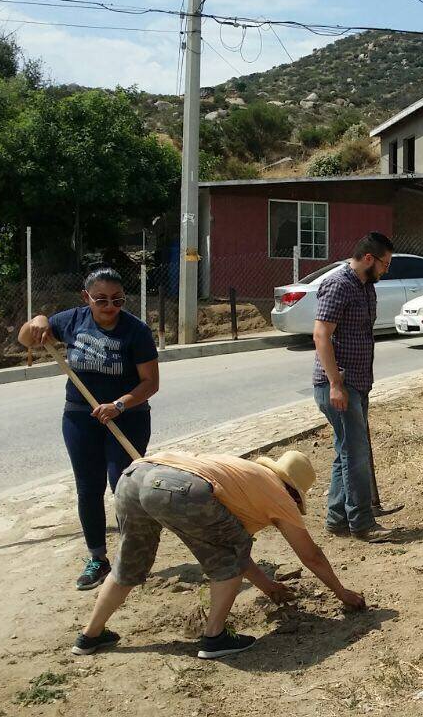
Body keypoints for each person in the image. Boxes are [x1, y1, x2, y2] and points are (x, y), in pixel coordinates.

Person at [69, 450, 367, 659]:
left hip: (134, 476)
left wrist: (269, 587)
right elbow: (310, 555)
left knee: (128, 565)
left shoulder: (241, 477)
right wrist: (342, 593)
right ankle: (214, 638)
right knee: (229, 554)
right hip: (178, 487)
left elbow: (235, 548)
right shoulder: (278, 496)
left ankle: (89, 637)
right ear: (294, 492)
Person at [19, 267, 159, 591]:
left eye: (117, 300)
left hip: (127, 417)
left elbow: (151, 382)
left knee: (122, 486)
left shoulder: (136, 331)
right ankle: (97, 558)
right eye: (101, 300)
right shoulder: (73, 320)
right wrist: (38, 320)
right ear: (86, 298)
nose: (109, 306)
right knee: (88, 488)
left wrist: (119, 405)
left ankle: (132, 555)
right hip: (80, 417)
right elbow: (26, 338)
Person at [313, 231, 398, 542]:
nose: (386, 270)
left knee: (346, 451)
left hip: (357, 384)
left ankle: (337, 519)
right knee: (356, 454)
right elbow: (321, 335)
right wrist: (336, 384)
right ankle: (362, 523)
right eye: (384, 264)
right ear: (368, 259)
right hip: (339, 385)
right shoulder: (338, 284)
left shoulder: (365, 287)